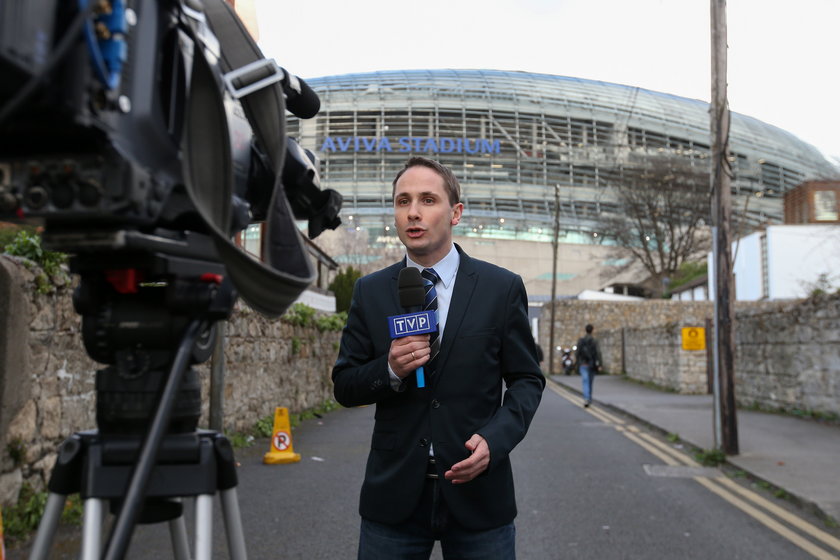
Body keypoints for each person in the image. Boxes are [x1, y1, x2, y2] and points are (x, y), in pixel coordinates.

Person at [332, 156, 545, 559]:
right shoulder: (371, 292)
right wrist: (390, 369)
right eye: (402, 201)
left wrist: (495, 440)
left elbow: (527, 380)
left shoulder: (500, 288)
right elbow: (345, 384)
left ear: (456, 213)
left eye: (428, 200)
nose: (413, 212)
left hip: (479, 494)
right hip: (393, 499)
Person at [575, 324, 602, 407]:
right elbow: (598, 353)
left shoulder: (581, 340)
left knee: (585, 382)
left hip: (583, 364)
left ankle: (586, 399)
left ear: (585, 330)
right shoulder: (594, 341)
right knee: (590, 382)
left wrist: (577, 363)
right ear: (592, 330)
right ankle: (589, 399)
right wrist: (600, 364)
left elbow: (577, 353)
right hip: (592, 364)